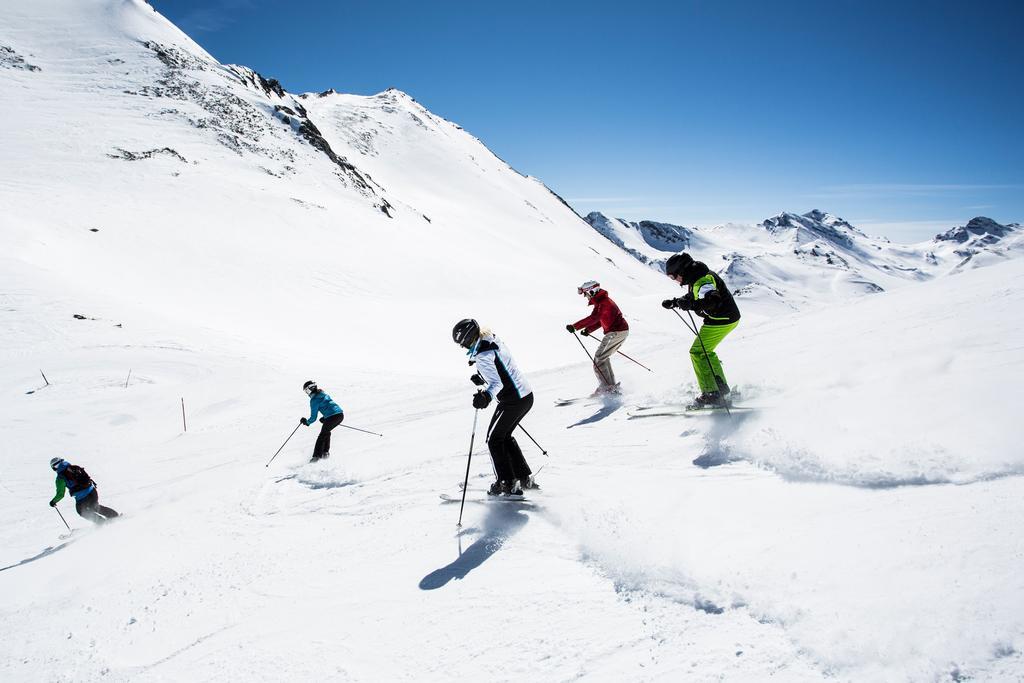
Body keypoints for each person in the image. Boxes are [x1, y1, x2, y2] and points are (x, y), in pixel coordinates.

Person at [452, 318, 536, 496]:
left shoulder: (483, 355)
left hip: (513, 400)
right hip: (525, 396)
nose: (462, 347)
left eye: (462, 343)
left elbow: (497, 383)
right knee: (503, 437)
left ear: (467, 338)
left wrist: (486, 396)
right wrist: (483, 379)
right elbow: (503, 368)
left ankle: (506, 482)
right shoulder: (492, 339)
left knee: (494, 439)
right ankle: (523, 478)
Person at [661, 252, 741, 409]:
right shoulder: (697, 276)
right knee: (706, 352)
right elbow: (694, 295)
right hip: (725, 318)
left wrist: (691, 306)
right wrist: (676, 302)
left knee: (697, 352)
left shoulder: (702, 280)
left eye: (673, 276)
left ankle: (712, 393)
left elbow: (713, 299)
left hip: (721, 320)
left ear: (681, 271)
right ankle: (720, 388)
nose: (675, 281)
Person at [566, 280, 630, 395]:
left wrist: (575, 326)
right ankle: (609, 386)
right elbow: (600, 320)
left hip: (616, 332)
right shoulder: (601, 302)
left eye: (586, 294)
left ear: (591, 291)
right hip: (618, 331)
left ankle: (607, 388)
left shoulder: (604, 303)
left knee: (599, 359)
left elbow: (594, 318)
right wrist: (588, 330)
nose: (585, 297)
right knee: (602, 358)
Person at [48, 457, 119, 524]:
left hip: (82, 498)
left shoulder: (60, 478)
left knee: (81, 511)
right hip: (92, 491)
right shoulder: (74, 467)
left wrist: (53, 501)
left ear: (55, 467)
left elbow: (60, 494)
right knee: (95, 507)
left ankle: (101, 522)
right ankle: (115, 516)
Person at [300, 380, 344, 462]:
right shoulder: (323, 394)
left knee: (322, 435)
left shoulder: (314, 400)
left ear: (310, 389)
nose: (306, 393)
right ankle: (325, 453)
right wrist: (325, 417)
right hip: (340, 415)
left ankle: (316, 457)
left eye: (306, 390)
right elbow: (329, 406)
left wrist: (307, 422)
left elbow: (313, 417)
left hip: (332, 417)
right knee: (326, 432)